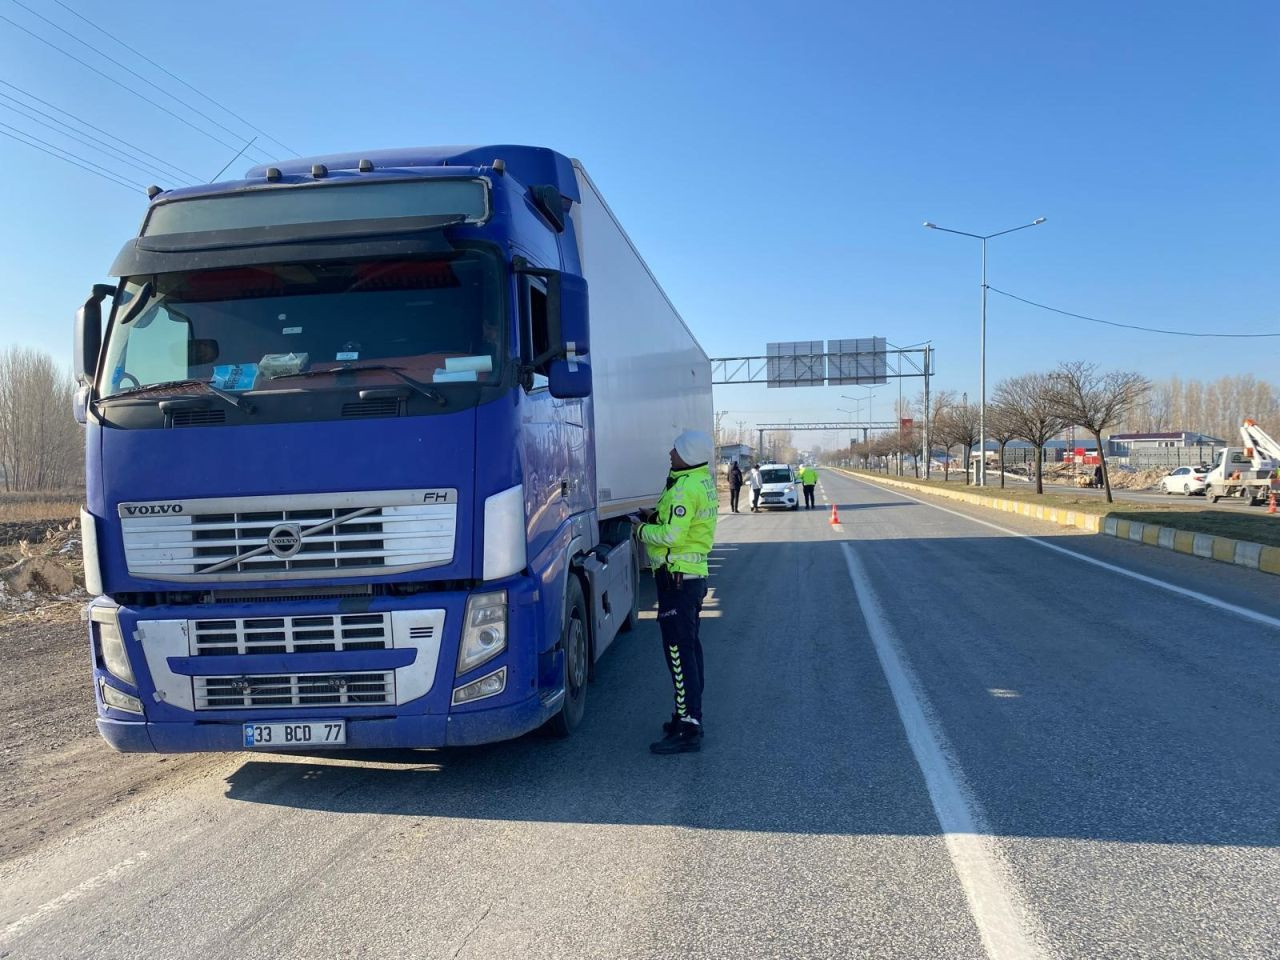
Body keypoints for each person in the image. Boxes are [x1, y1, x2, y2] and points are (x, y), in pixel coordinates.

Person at [633, 430, 718, 755]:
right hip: (689, 579)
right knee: (689, 651)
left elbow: (670, 534)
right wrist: (652, 517)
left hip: (678, 581)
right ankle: (687, 716)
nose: (670, 452)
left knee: (679, 655)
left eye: (676, 449)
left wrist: (641, 530)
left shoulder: (685, 489)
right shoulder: (698, 482)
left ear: (689, 454)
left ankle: (688, 728)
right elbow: (676, 522)